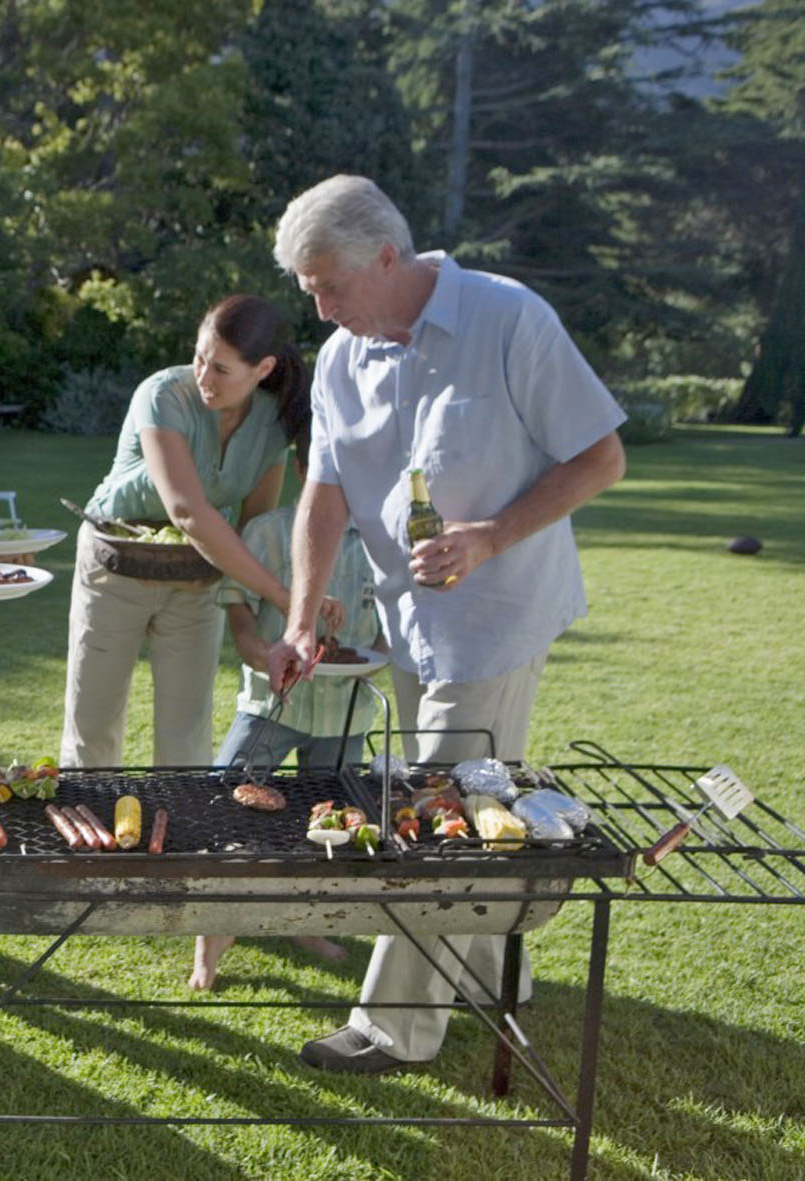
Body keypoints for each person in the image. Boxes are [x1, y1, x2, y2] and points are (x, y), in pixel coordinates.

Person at [267, 174, 626, 1074]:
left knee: (432, 803)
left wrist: (492, 535)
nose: (320, 311)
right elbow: (324, 495)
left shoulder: (511, 320)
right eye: (309, 291)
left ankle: (395, 1026)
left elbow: (600, 456)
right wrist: (303, 618)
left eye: (330, 288)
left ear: (387, 256)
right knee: (475, 794)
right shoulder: (348, 358)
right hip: (406, 619)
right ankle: (496, 966)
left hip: (498, 615)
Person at [59, 294, 339, 770]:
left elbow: (254, 525)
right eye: (199, 358)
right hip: (114, 568)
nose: (203, 378)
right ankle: (89, 838)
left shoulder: (274, 422)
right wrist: (289, 599)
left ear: (263, 368)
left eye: (221, 369)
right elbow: (187, 511)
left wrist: (253, 620)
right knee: (94, 726)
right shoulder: (163, 395)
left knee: (187, 733)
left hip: (197, 575)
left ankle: (179, 838)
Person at [190, 431, 385, 989]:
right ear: (305, 467)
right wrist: (264, 657)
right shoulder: (270, 533)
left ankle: (306, 922)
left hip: (345, 712)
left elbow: (393, 630)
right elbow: (243, 626)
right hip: (271, 705)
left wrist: (381, 657)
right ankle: (211, 942)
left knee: (327, 824)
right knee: (225, 810)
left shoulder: (377, 540)